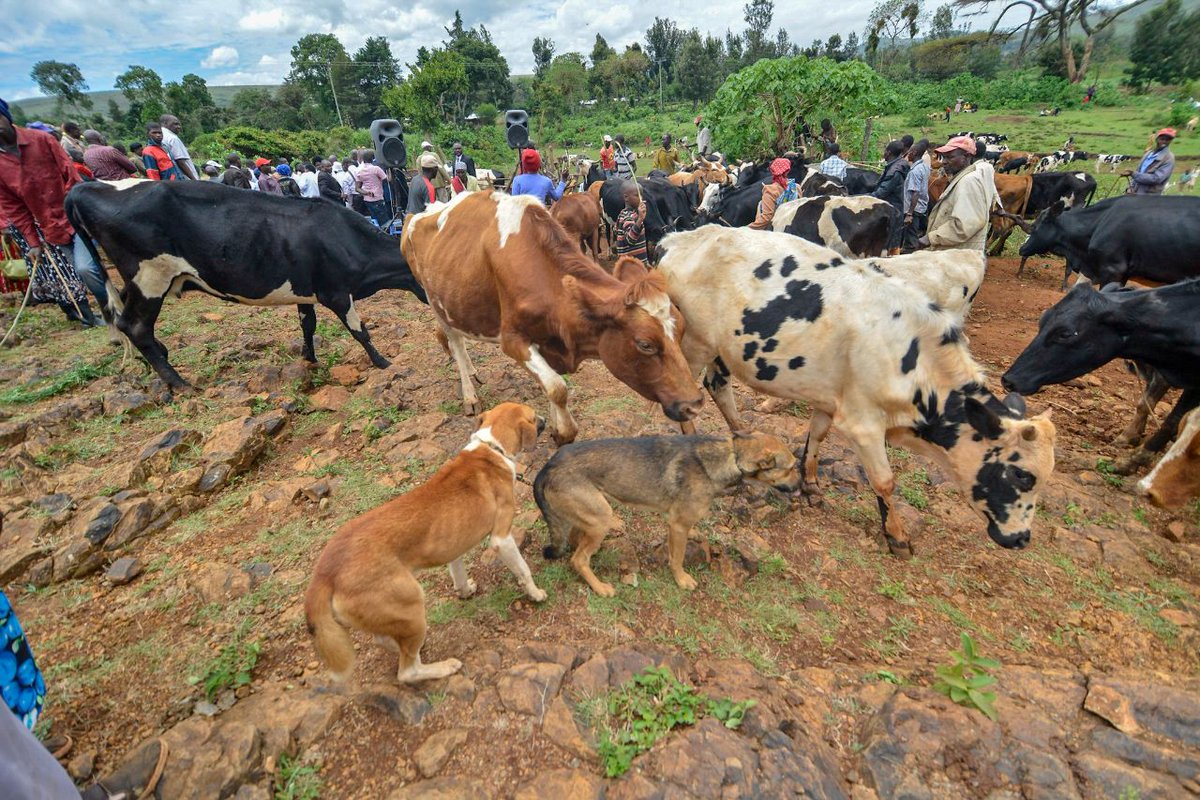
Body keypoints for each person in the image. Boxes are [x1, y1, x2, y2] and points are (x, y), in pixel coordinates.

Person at [0, 97, 107, 326]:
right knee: (86, 272)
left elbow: (71, 175)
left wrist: (72, 204)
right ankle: (112, 309)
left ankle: (114, 311)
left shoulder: (41, 140)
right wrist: (33, 243)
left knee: (85, 268)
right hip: (51, 229)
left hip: (77, 217)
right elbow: (14, 209)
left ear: (7, 117)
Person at [919, 136, 1001, 252]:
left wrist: (929, 238)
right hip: (954, 253)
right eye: (944, 158)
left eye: (950, 157)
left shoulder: (969, 181)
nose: (944, 162)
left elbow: (965, 225)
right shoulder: (963, 177)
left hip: (958, 257)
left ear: (967, 156)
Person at [872, 140, 910, 254]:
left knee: (889, 245)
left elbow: (881, 193)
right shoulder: (897, 165)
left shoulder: (895, 171)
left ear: (888, 152)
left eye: (885, 151)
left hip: (891, 212)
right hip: (894, 209)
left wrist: (857, 198)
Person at [1123, 128, 1176, 195]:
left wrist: (1133, 174)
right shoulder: (1148, 154)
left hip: (1149, 196)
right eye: (1162, 138)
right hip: (1134, 192)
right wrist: (1130, 188)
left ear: (1170, 141)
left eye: (1168, 139)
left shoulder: (1169, 158)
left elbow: (1156, 178)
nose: (1164, 141)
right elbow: (1138, 171)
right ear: (1157, 139)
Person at [749, 158, 793, 230]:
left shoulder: (770, 190)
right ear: (787, 170)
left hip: (774, 233)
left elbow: (766, 218)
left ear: (773, 171)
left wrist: (746, 229)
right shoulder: (796, 187)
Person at [902, 140, 931, 252]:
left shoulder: (915, 171)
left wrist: (909, 214)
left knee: (911, 239)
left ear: (913, 153)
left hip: (913, 209)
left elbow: (915, 192)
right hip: (921, 207)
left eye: (909, 152)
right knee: (913, 234)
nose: (907, 154)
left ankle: (911, 256)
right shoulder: (924, 167)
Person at [614, 181, 649, 264]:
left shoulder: (624, 213)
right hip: (631, 267)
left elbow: (616, 230)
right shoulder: (628, 217)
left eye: (641, 195)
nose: (641, 199)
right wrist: (640, 219)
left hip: (636, 265)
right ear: (626, 197)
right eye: (637, 195)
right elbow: (630, 240)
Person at [159, 114, 198, 179]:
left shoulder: (161, 136)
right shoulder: (172, 138)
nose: (179, 127)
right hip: (184, 178)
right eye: (175, 124)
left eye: (179, 124)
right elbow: (180, 161)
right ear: (165, 123)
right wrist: (194, 179)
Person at [355, 150, 389, 224]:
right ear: (373, 158)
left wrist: (366, 193)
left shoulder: (359, 171)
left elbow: (357, 188)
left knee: (374, 219)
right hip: (378, 198)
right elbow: (387, 180)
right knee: (384, 221)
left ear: (363, 159)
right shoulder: (376, 169)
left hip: (367, 199)